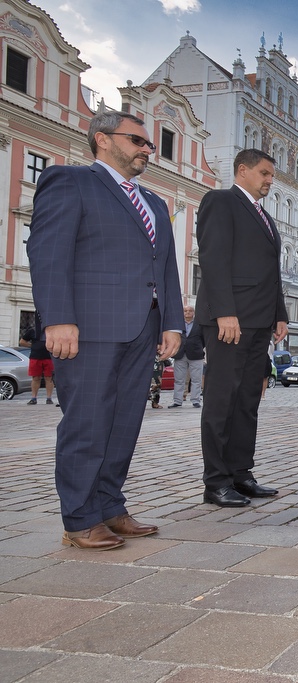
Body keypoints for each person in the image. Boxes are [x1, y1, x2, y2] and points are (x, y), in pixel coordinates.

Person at [27, 111, 183, 550]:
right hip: (90, 325)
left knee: (124, 422)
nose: (147, 149)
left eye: (149, 144)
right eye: (137, 141)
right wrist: (58, 318)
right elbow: (48, 252)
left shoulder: (154, 202)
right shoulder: (70, 181)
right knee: (88, 422)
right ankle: (79, 518)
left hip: (143, 326)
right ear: (102, 139)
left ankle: (110, 506)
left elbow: (166, 267)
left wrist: (172, 321)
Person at [195, 149, 288, 507]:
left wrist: (279, 314)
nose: (269, 180)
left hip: (259, 322)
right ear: (242, 170)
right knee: (222, 401)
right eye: (264, 173)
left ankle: (240, 473)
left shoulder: (265, 217)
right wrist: (224, 312)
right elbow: (213, 258)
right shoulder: (221, 201)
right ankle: (216, 482)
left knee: (247, 402)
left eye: (271, 175)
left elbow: (271, 272)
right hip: (230, 321)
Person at [170, 304, 205, 408]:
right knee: (179, 379)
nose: (188, 312)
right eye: (185, 311)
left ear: (193, 312)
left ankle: (195, 400)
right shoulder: (178, 324)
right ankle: (177, 401)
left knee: (196, 379)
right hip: (180, 354)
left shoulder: (199, 324)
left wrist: (198, 347)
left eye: (190, 311)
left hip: (196, 354)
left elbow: (204, 339)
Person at [19, 318, 55, 405]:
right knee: (35, 378)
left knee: (49, 378)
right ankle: (33, 398)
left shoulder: (51, 331)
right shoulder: (32, 331)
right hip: (35, 357)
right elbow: (22, 342)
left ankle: (49, 398)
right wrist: (32, 346)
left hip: (49, 357)